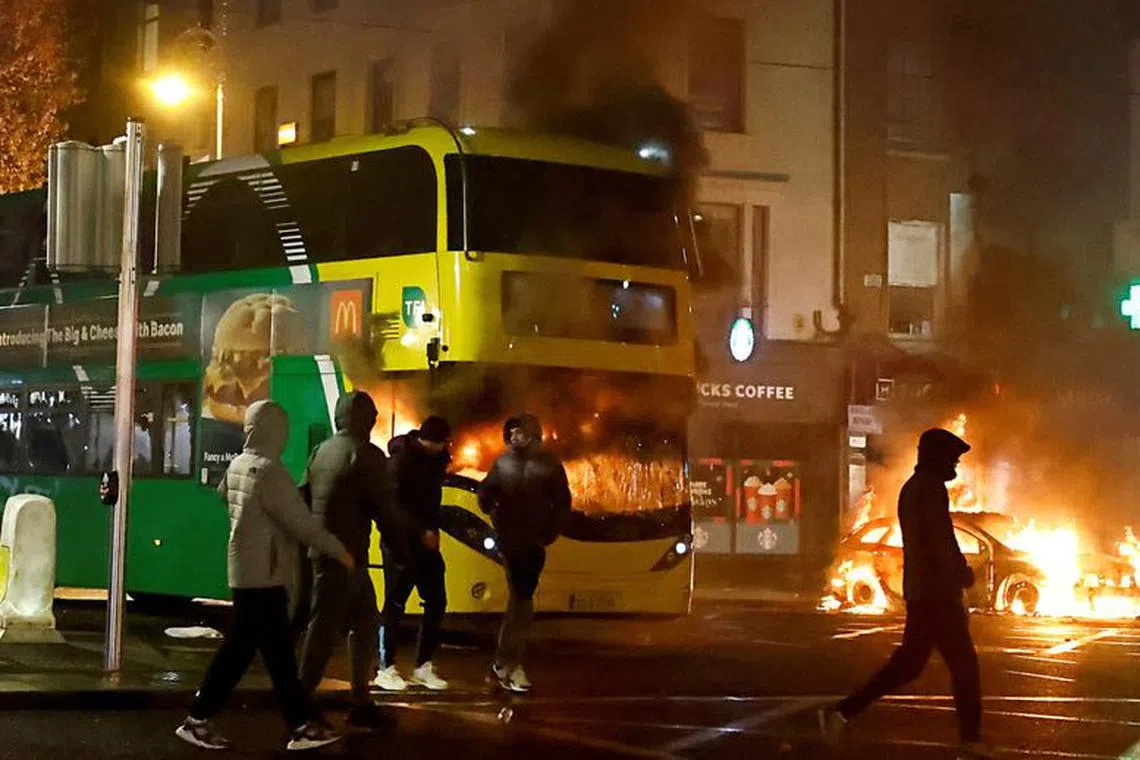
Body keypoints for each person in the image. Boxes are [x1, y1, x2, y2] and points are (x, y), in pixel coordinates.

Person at [176, 400, 351, 752]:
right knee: (276, 657)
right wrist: (341, 552)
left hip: (245, 570)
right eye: (283, 429)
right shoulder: (270, 471)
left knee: (248, 652)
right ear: (275, 431)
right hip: (265, 574)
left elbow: (225, 496)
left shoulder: (240, 463)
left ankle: (200, 719)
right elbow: (303, 524)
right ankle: (299, 726)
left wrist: (252, 526)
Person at [819, 428, 989, 760]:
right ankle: (970, 742)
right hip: (937, 594)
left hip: (922, 591)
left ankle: (840, 713)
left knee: (908, 664)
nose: (955, 464)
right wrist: (961, 573)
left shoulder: (914, 488)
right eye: (952, 457)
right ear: (936, 457)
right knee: (964, 665)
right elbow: (942, 540)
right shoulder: (930, 490)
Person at [298, 391, 405, 729]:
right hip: (345, 556)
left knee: (362, 622)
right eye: (371, 417)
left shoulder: (321, 451)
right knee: (325, 629)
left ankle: (360, 699)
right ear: (364, 420)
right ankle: (302, 702)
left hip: (329, 553)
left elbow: (303, 493)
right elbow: (383, 508)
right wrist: (403, 547)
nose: (374, 422)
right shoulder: (366, 454)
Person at [478, 413, 571, 693]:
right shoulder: (503, 463)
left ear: (533, 434)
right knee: (522, 602)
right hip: (511, 541)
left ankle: (505, 664)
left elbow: (563, 502)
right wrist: (495, 514)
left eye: (519, 432)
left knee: (522, 602)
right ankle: (509, 664)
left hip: (534, 542)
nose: (514, 437)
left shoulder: (549, 465)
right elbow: (485, 494)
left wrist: (549, 532)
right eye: (512, 433)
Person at [375, 416, 453, 691]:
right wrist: (422, 531)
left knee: (436, 600)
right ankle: (385, 668)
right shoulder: (400, 461)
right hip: (400, 543)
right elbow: (393, 506)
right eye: (443, 443)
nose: (446, 448)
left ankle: (423, 666)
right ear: (430, 441)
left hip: (425, 542)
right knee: (395, 604)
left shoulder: (437, 460)